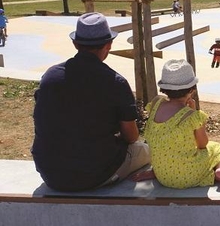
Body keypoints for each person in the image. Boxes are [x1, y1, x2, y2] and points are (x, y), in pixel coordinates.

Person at [32, 12, 150, 192]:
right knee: (145, 150)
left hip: (50, 173)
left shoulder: (50, 76)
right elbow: (131, 136)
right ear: (109, 45)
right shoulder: (115, 82)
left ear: (75, 43)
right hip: (95, 174)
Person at [132, 59, 220, 192]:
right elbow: (202, 144)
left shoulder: (155, 103)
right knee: (216, 148)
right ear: (191, 90)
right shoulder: (191, 116)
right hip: (188, 176)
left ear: (165, 88)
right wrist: (194, 112)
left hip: (163, 176)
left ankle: (210, 175)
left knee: (169, 147)